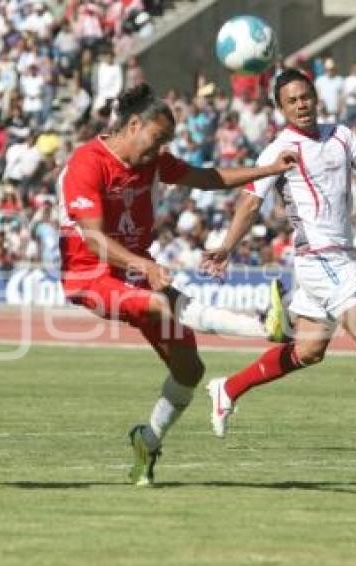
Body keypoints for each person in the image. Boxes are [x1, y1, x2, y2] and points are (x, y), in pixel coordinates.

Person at [58, 83, 296, 486]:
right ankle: (261, 324)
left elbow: (207, 177)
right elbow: (94, 239)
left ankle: (147, 442)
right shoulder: (87, 163)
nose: (160, 149)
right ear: (133, 125)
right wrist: (143, 267)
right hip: (91, 274)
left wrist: (270, 170)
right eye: (157, 138)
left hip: (135, 272)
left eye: (167, 141)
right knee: (158, 304)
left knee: (190, 368)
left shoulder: (151, 162)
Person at [202, 69, 356, 451]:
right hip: (318, 256)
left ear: (316, 98)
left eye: (305, 97)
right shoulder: (280, 149)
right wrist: (227, 246)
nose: (301, 104)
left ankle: (227, 388)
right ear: (281, 108)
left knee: (308, 351)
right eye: (292, 100)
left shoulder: (341, 134)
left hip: (338, 254)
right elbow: (251, 202)